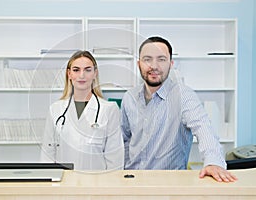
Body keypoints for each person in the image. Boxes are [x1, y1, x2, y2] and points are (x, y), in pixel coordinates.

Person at [121, 36, 237, 182]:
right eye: (147, 59)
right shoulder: (129, 97)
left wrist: (213, 162)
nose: (154, 66)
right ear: (139, 64)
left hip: (168, 185)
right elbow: (123, 139)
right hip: (131, 182)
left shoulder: (184, 96)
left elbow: (203, 128)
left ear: (171, 64)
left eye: (161, 59)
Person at [41, 50, 124, 171]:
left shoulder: (109, 109)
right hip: (63, 184)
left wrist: (110, 187)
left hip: (96, 184)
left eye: (87, 70)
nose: (81, 75)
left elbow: (115, 158)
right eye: (76, 70)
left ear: (95, 73)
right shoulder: (56, 109)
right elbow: (47, 154)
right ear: (69, 74)